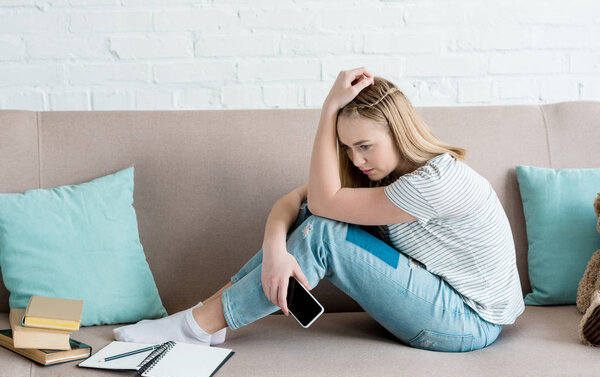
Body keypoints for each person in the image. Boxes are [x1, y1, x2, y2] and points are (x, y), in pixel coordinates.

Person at [114, 67, 525, 352]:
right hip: (438, 295)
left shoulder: (435, 182)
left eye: (365, 146)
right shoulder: (378, 177)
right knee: (320, 218)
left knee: (327, 228)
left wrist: (329, 107)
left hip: (469, 322)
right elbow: (293, 203)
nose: (357, 159)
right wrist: (276, 251)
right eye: (348, 148)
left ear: (399, 131)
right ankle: (204, 324)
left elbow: (323, 202)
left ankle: (193, 327)